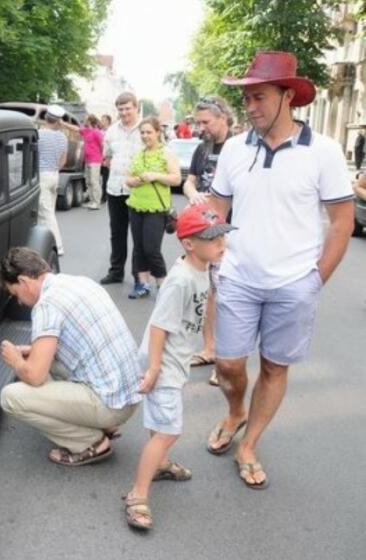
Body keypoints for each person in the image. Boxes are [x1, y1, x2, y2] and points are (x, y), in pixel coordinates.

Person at [206, 51, 355, 489]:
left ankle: (249, 443)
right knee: (229, 364)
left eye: (260, 97)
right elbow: (217, 211)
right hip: (237, 278)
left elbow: (342, 223)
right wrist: (206, 257)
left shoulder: (324, 152)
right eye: (247, 98)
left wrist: (314, 281)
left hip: (294, 285)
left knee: (274, 368)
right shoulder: (235, 148)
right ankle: (235, 410)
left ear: (288, 96)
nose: (250, 107)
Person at [122, 204, 235, 531]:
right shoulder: (181, 279)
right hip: (164, 362)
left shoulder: (201, 268)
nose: (221, 244)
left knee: (161, 422)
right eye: (212, 239)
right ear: (189, 243)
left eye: (222, 236)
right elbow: (159, 326)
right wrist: (156, 368)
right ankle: (138, 494)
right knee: (170, 429)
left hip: (173, 359)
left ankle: (159, 464)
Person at [0, 247, 142, 466]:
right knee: (42, 361)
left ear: (24, 281)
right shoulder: (80, 282)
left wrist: (15, 359)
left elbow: (35, 376)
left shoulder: (46, 305)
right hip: (128, 392)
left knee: (10, 397)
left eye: (15, 294)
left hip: (111, 404)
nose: (19, 302)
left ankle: (91, 442)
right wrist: (33, 351)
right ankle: (103, 423)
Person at [182, 95, 234, 383]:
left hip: (228, 232)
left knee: (228, 294)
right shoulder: (202, 148)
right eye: (199, 122)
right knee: (208, 293)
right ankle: (211, 349)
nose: (201, 128)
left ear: (223, 117)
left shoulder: (239, 147)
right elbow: (190, 180)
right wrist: (192, 193)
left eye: (206, 122)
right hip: (203, 230)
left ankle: (226, 361)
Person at [124, 117, 181, 299]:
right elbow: (129, 179)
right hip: (136, 206)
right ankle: (142, 284)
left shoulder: (166, 153)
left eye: (149, 132)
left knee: (151, 249)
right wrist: (138, 179)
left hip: (156, 210)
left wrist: (155, 175)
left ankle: (162, 285)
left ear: (158, 132)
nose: (145, 136)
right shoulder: (139, 154)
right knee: (139, 248)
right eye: (142, 132)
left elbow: (176, 179)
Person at [101, 93, 143, 285]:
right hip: (115, 190)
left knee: (138, 235)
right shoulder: (111, 131)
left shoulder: (146, 129)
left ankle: (137, 275)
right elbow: (107, 158)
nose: (124, 112)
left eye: (128, 108)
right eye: (121, 109)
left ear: (136, 107)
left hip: (138, 191)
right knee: (117, 233)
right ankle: (116, 272)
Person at [37, 104, 69, 256]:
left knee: (46, 212)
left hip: (41, 175)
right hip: (54, 174)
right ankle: (43, 243)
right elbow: (63, 161)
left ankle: (58, 245)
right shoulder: (63, 137)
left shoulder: (39, 135)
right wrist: (54, 168)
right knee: (50, 210)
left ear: (45, 118)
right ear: (58, 121)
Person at [79, 115, 104, 210]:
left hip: (95, 160)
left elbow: (102, 145)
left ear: (89, 121)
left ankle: (96, 202)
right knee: (88, 181)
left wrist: (102, 157)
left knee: (94, 181)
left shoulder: (96, 132)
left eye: (86, 120)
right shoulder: (85, 131)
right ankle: (91, 201)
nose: (84, 121)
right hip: (87, 160)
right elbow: (75, 128)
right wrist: (63, 123)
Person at [100, 114, 113, 203]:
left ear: (108, 121)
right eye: (101, 120)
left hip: (106, 158)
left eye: (103, 120)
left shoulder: (111, 131)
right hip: (98, 157)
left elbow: (110, 147)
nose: (102, 122)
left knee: (106, 179)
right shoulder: (100, 131)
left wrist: (106, 159)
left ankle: (105, 196)